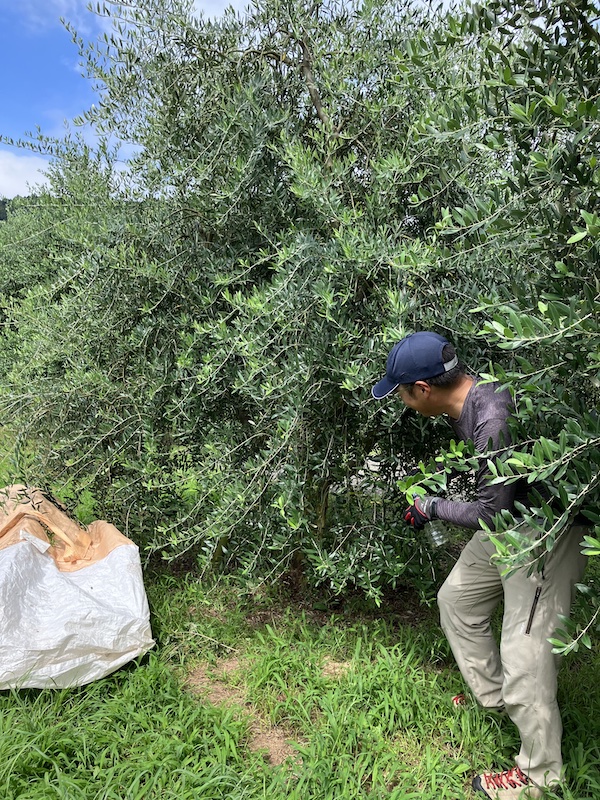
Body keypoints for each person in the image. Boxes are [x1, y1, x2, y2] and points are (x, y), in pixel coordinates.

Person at [371, 330, 587, 800]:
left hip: (545, 530)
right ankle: (497, 703)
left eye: (403, 393)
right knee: (457, 601)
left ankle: (540, 777)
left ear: (423, 389)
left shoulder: (491, 417)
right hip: (511, 518)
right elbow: (496, 493)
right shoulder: (471, 398)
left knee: (524, 648)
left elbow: (492, 511)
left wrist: (431, 507)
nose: (404, 404)